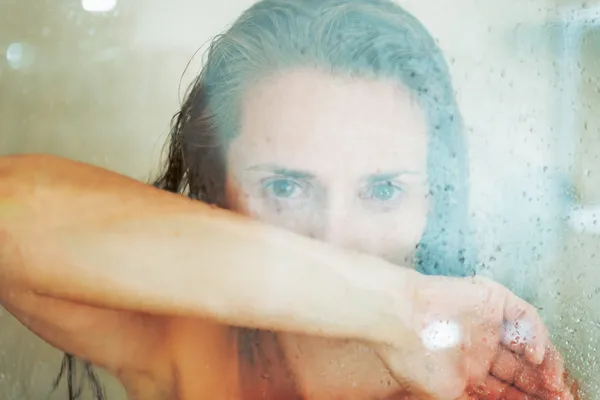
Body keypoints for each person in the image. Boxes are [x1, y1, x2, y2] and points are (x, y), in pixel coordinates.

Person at [0, 0, 577, 399]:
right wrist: (399, 309)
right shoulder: (186, 347)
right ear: (215, 185)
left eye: (383, 190)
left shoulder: (491, 379)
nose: (337, 239)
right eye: (284, 187)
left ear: (435, 196)